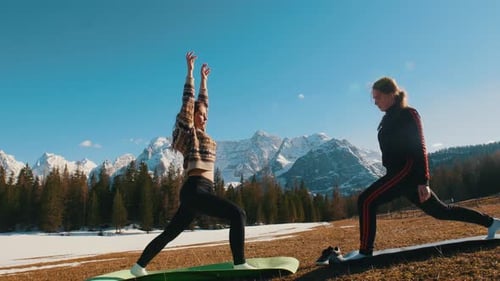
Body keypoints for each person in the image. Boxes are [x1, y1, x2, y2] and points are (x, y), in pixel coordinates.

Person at [317, 77, 500, 264]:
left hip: (406, 172)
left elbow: (419, 146)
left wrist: (424, 181)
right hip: (397, 175)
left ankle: (365, 252)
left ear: (391, 94)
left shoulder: (408, 114)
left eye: (378, 97)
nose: (375, 102)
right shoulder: (388, 118)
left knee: (366, 200)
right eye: (373, 98)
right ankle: (492, 223)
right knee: (441, 211)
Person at [130, 51, 254, 276]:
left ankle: (138, 267)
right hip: (195, 189)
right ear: (191, 116)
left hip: (200, 192)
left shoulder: (204, 133)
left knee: (169, 233)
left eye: (206, 116)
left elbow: (202, 103)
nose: (205, 118)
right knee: (238, 214)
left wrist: (205, 82)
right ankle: (240, 264)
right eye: (201, 115)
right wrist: (191, 74)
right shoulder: (187, 132)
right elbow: (189, 101)